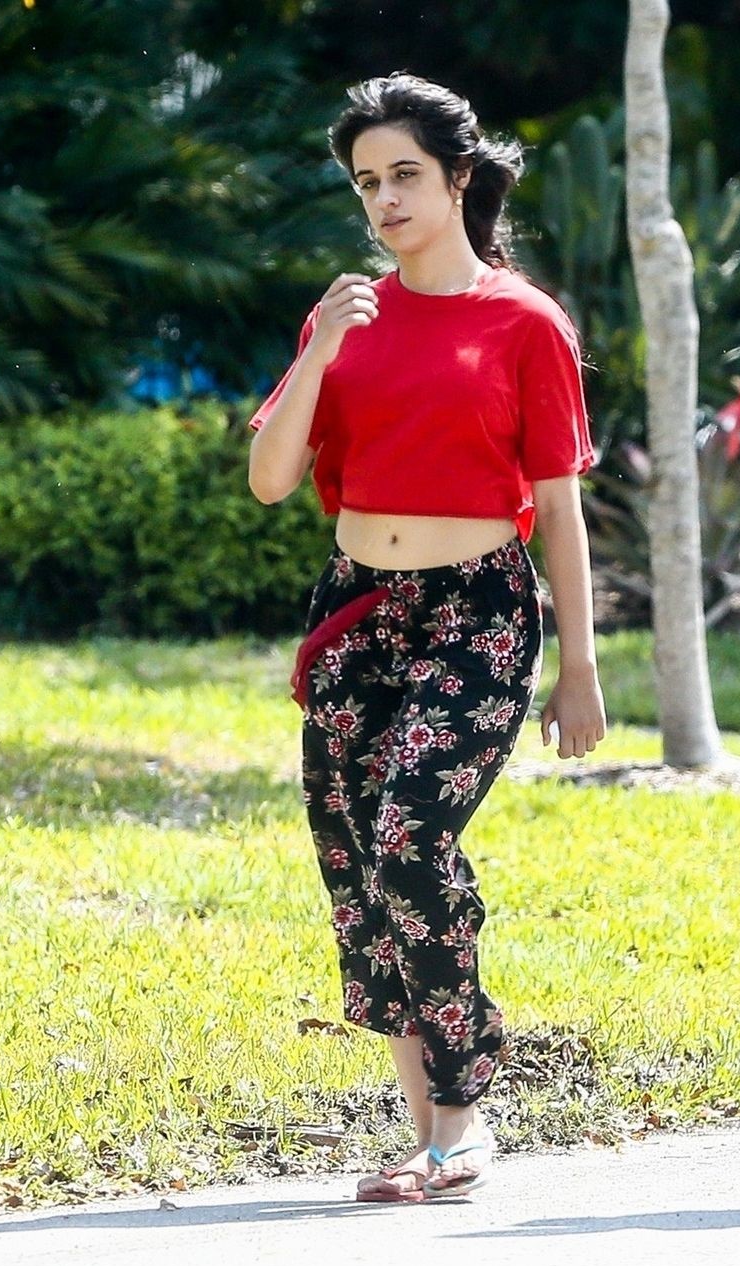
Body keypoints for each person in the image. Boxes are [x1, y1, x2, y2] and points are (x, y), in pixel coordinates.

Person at [247, 72, 606, 1203]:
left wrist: (581, 668)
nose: (386, 200)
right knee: (356, 857)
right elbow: (269, 479)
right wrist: (319, 349)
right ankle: (428, 1132)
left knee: (409, 834)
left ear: (458, 178)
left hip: (476, 610)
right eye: (367, 182)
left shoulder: (523, 321)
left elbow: (559, 509)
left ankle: (463, 1108)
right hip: (358, 611)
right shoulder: (345, 317)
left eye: (405, 174)